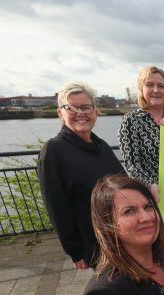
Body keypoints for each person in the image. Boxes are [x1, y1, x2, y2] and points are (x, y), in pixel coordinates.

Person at [38, 82, 124, 270]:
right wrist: (75, 250)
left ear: (95, 111)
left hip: (121, 236)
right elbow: (56, 205)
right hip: (96, 244)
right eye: (72, 108)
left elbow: (122, 184)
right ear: (60, 113)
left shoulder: (100, 145)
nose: (81, 112)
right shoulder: (54, 151)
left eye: (86, 107)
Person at [118, 65, 164, 201]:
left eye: (161, 86)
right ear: (141, 89)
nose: (156, 90)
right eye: (150, 85)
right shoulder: (131, 121)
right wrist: (151, 184)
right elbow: (132, 165)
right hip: (148, 197)